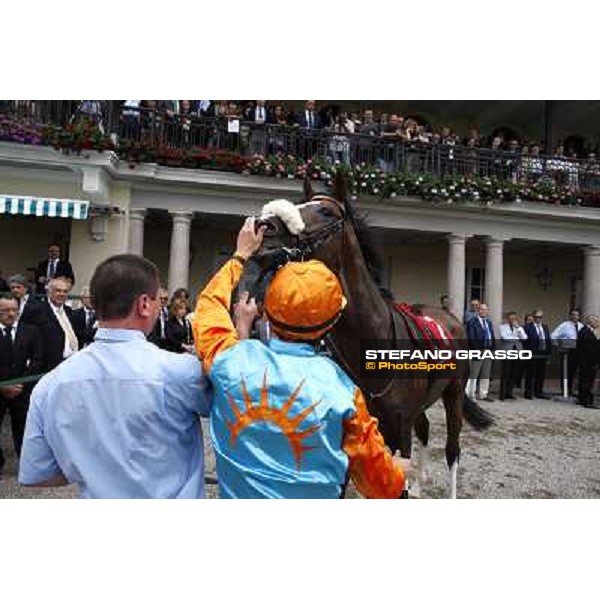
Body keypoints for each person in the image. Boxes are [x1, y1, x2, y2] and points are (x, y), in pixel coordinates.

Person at [193, 217, 407, 499]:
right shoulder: (343, 392)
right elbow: (382, 486)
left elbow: (208, 304)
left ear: (266, 312)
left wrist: (240, 255)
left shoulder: (228, 360)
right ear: (330, 323)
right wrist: (398, 470)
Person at [19, 254, 212, 498]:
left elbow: (38, 473)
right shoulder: (180, 371)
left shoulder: (50, 384)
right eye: (157, 301)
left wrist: (94, 469)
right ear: (143, 304)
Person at [0, 295, 43, 477]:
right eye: (5, 311)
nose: (11, 314)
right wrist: (3, 386)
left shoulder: (31, 331)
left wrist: (20, 384)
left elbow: (38, 359)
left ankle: (26, 466)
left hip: (22, 391)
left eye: (14, 310)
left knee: (23, 430)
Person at [38, 277, 79, 371]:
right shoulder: (39, 311)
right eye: (58, 291)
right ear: (49, 292)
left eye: (65, 291)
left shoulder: (69, 311)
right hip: (50, 368)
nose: (62, 294)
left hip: (71, 363)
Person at [551, 308, 585, 396]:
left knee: (574, 371)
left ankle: (570, 389)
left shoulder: (581, 326)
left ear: (579, 316)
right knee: (566, 371)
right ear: (570, 316)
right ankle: (565, 390)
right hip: (567, 351)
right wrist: (559, 346)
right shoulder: (564, 325)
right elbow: (553, 336)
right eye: (573, 314)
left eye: (577, 315)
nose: (575, 317)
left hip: (578, 351)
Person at [466, 303, 495, 402]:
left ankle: (483, 394)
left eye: (486, 310)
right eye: (482, 309)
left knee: (486, 374)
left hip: (488, 350)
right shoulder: (472, 322)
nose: (484, 311)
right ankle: (470, 394)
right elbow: (471, 337)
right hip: (478, 350)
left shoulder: (489, 322)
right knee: (474, 374)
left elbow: (492, 336)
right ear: (478, 311)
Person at [498, 311, 528, 400]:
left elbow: (525, 337)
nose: (512, 320)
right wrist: (516, 338)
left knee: (514, 373)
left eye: (514, 319)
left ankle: (509, 393)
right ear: (507, 319)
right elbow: (505, 337)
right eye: (511, 319)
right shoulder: (502, 327)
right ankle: (502, 394)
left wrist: (518, 328)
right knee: (506, 373)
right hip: (507, 352)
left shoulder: (519, 327)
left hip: (517, 351)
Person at [524, 310, 552, 399]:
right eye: (536, 317)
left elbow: (548, 341)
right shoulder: (528, 327)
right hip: (532, 353)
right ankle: (528, 392)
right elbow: (525, 342)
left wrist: (549, 354)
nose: (538, 319)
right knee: (530, 373)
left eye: (540, 317)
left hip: (543, 353)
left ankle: (538, 391)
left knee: (541, 373)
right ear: (533, 317)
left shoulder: (545, 327)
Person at [576, 315, 600, 408]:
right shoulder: (586, 332)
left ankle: (583, 399)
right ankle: (586, 401)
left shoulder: (587, 331)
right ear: (590, 322)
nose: (598, 323)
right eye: (597, 321)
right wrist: (595, 362)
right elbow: (589, 350)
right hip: (588, 362)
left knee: (585, 380)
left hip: (586, 361)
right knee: (587, 381)